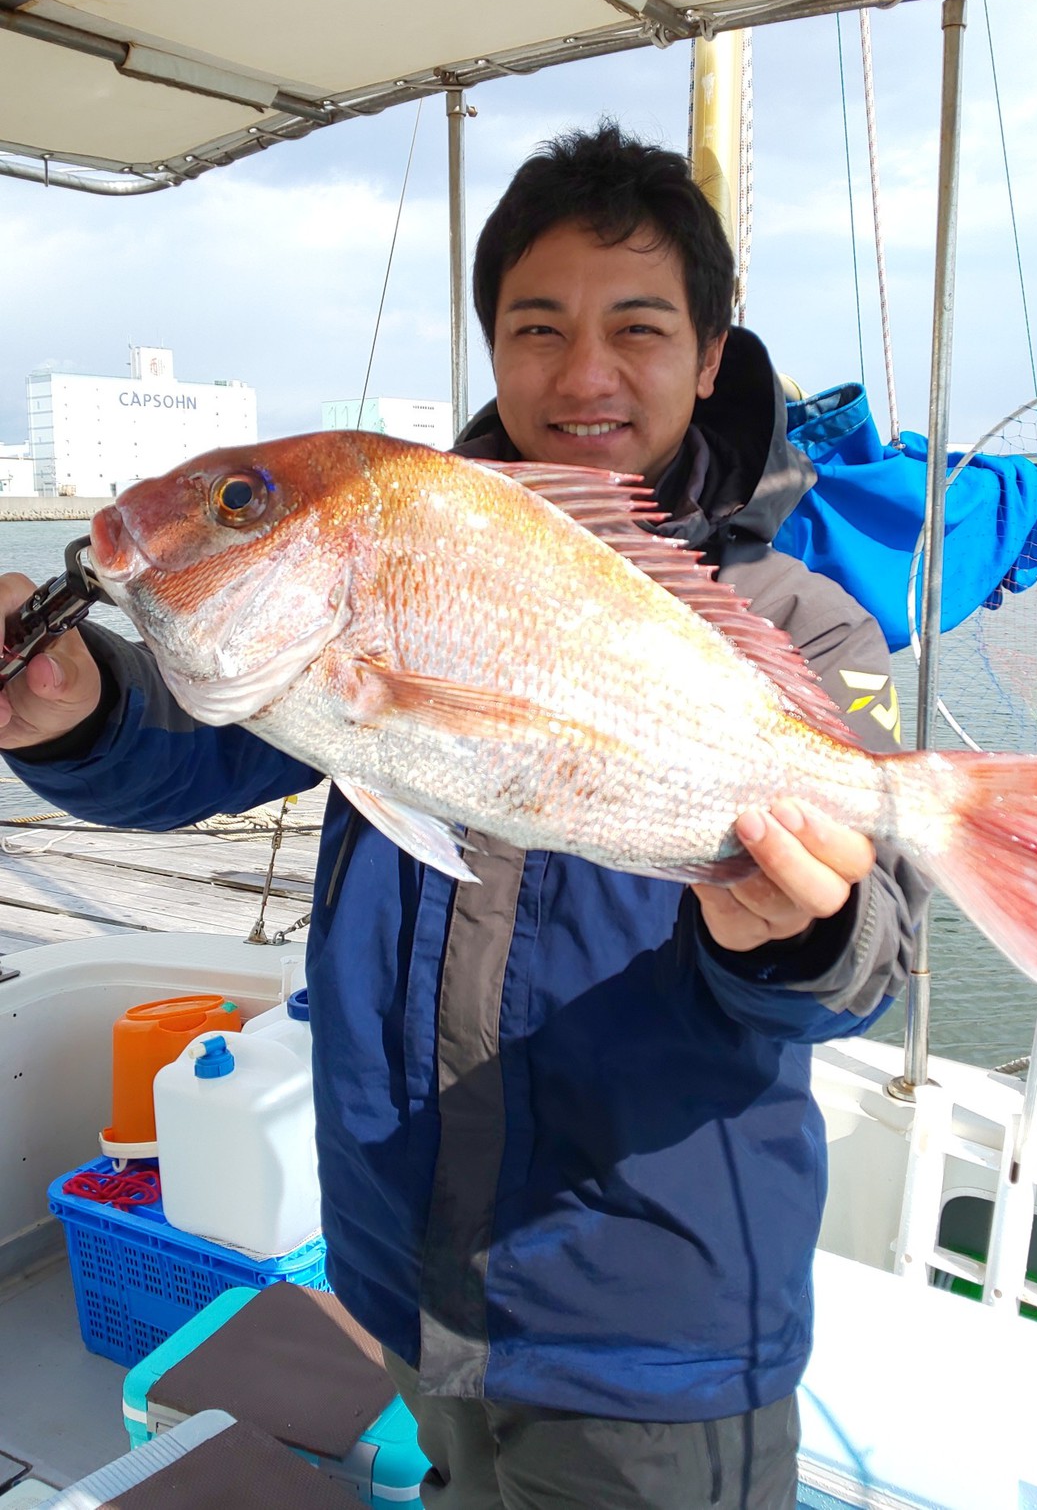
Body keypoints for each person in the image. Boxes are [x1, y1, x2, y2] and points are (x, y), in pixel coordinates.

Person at [0, 125, 924, 1510]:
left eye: (639, 328)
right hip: (405, 1280)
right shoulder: (406, 547)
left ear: (713, 355)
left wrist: (794, 934)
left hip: (653, 1322)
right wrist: (75, 708)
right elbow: (188, 758)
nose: (585, 373)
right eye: (537, 325)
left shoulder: (799, 622)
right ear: (492, 345)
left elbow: (874, 965)